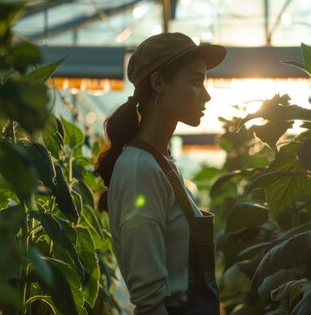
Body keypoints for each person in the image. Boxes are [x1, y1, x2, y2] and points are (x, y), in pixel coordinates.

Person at [95, 32, 227, 315]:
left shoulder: (160, 162)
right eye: (195, 81)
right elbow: (150, 301)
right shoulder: (139, 170)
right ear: (158, 83)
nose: (206, 95)